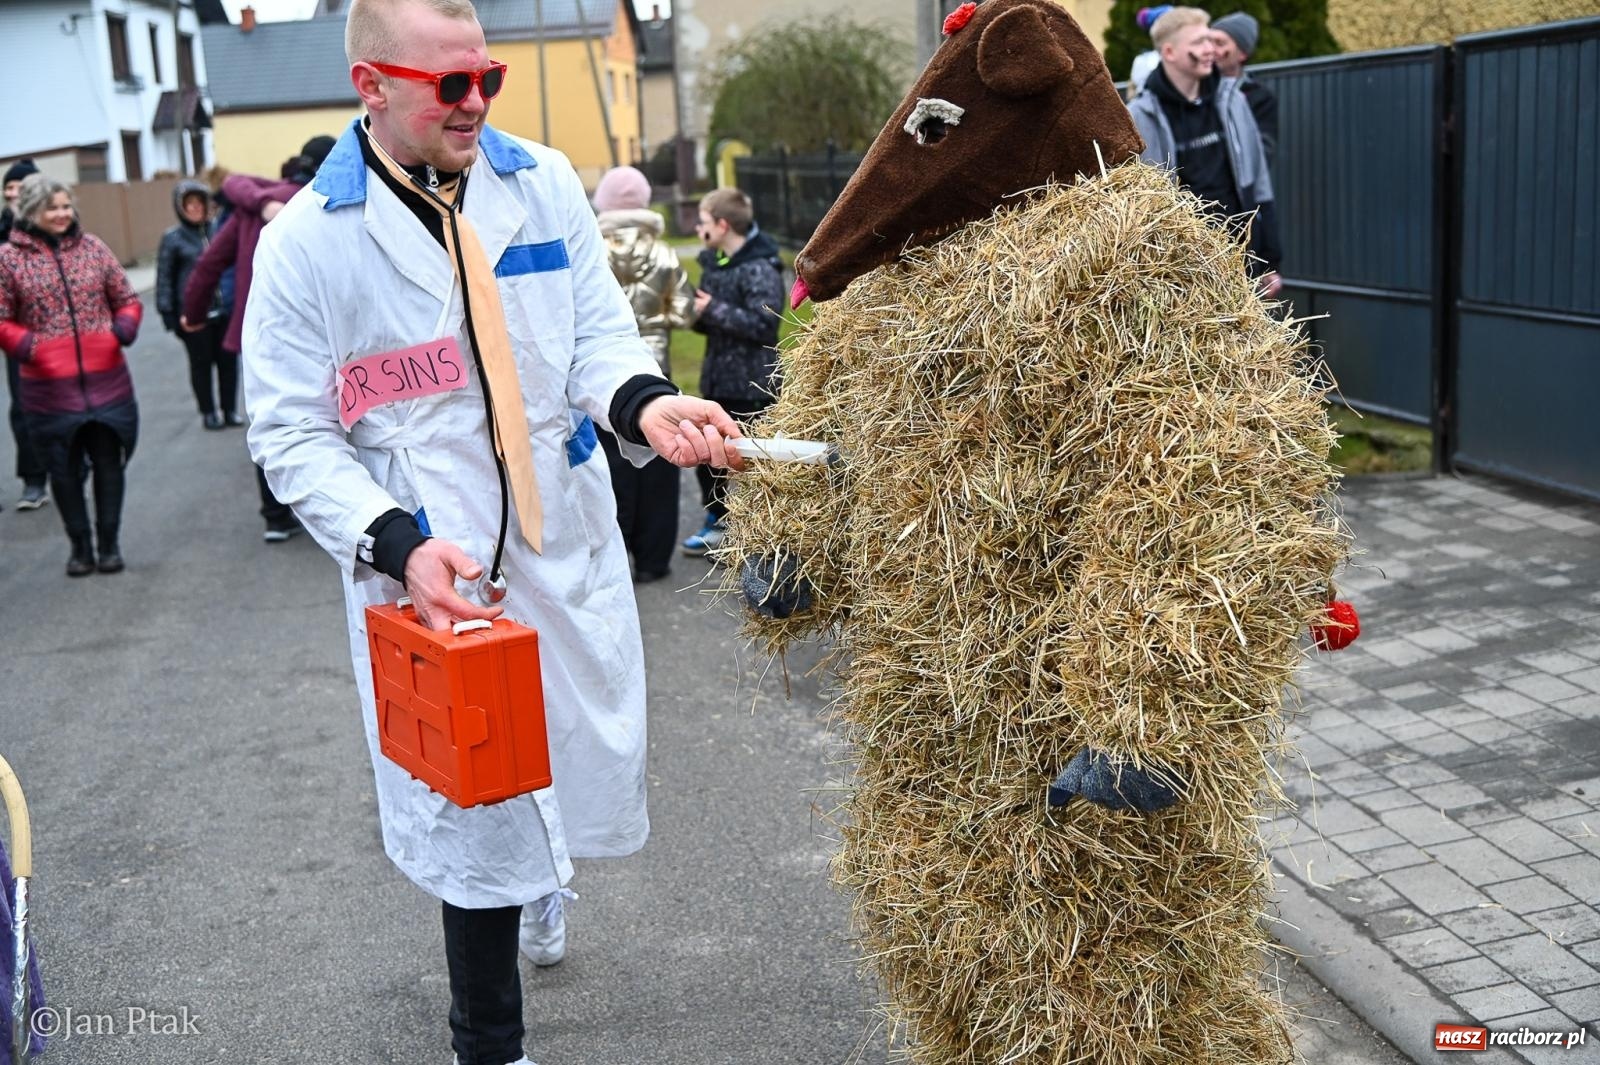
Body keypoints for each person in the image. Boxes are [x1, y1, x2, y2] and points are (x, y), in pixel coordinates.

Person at [240, 1, 743, 1061]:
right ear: (371, 86)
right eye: (448, 86)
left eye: (488, 80)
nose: (475, 104)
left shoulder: (542, 183)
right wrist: (394, 543)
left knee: (563, 747)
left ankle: (544, 880)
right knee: (472, 801)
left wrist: (645, 404)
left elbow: (595, 339)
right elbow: (288, 435)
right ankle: (489, 1036)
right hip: (429, 555)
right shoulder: (304, 247)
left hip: (557, 528)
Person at [182, 136, 337, 542]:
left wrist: (193, 314)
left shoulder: (257, 206)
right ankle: (330, 512)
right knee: (329, 417)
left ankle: (275, 515)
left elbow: (209, 263)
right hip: (321, 331)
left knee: (273, 419)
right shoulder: (323, 201)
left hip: (260, 332)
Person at [0, 175, 142, 575]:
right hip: (48, 386)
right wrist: (29, 347)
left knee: (108, 461)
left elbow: (126, 299)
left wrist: (123, 329)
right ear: (30, 211)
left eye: (66, 206)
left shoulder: (93, 248)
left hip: (107, 378)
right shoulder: (9, 258)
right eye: (52, 208)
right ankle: (80, 547)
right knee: (62, 468)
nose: (62, 214)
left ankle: (109, 544)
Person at [1126, 6, 1282, 297]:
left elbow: (1258, 180)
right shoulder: (1140, 116)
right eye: (1199, 42)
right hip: (1182, 273)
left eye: (1211, 40)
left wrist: (1270, 261)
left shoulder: (1233, 101)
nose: (1210, 49)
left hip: (1240, 261)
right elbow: (1141, 203)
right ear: (1170, 52)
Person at [591, 164, 694, 583]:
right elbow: (684, 312)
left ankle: (614, 553)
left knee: (608, 464)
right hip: (653, 367)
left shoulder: (592, 249)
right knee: (659, 462)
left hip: (602, 377)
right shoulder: (664, 253)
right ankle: (653, 559)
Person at [681, 186, 784, 557]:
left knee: (754, 459)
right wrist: (692, 313)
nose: (698, 229)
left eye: (703, 222)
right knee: (710, 458)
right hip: (718, 379)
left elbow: (765, 324)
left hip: (753, 382)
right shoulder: (715, 263)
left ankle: (762, 532)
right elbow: (709, 321)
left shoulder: (761, 266)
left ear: (723, 225)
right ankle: (717, 522)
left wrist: (714, 310)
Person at [157, 180, 238, 429]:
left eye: (198, 203)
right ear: (180, 208)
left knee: (228, 364)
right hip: (193, 316)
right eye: (188, 205)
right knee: (201, 365)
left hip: (223, 311)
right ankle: (208, 412)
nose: (194, 209)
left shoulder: (218, 230)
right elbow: (165, 278)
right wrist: (169, 315)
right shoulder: (173, 238)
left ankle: (229, 410)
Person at [0, 159, 50, 511]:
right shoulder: (3, 235)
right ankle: (34, 480)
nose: (12, 193)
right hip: (19, 339)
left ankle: (72, 466)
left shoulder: (60, 230)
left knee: (69, 405)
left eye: (19, 187)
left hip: (63, 338)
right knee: (24, 408)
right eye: (8, 188)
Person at [1211, 12, 1278, 166]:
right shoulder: (1194, 89)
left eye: (1219, 43)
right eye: (1207, 42)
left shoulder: (1260, 97)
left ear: (1242, 54)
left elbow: (1262, 155)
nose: (1210, 49)